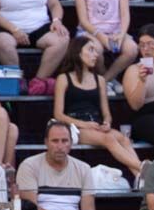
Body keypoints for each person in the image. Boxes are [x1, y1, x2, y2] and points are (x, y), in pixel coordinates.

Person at [17, 120, 112, 210]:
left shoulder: (83, 168)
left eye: (64, 141)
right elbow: (31, 207)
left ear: (71, 143)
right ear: (46, 143)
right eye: (55, 141)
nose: (60, 146)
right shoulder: (29, 165)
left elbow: (89, 208)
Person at [53, 35, 144, 178]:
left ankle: (140, 178)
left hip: (96, 125)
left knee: (124, 139)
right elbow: (58, 115)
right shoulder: (64, 78)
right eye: (90, 50)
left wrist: (107, 123)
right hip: (75, 127)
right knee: (109, 139)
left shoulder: (100, 79)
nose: (95, 54)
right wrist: (85, 124)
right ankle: (144, 169)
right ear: (78, 52)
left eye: (95, 51)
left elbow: (106, 112)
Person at [0, 0, 69, 85]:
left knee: (62, 38)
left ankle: (38, 82)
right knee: (3, 43)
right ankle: (18, 81)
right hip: (7, 26)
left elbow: (55, 4)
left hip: (40, 25)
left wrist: (56, 20)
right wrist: (14, 29)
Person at [73, 0, 137, 84]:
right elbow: (83, 21)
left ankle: (105, 80)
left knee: (131, 49)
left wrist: (121, 34)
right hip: (91, 32)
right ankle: (107, 81)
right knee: (95, 51)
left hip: (116, 31)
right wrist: (101, 35)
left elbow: (125, 14)